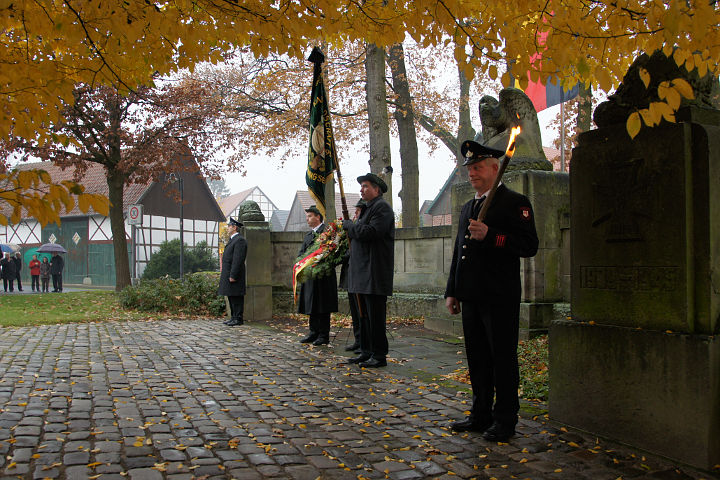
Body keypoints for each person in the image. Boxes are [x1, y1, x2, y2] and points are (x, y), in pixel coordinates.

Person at [445, 140, 539, 442]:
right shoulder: (468, 207)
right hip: (471, 295)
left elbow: (529, 245)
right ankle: (481, 413)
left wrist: (492, 236)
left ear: (495, 168)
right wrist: (453, 290)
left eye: (478, 167)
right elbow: (459, 252)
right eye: (470, 168)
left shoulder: (514, 202)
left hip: (499, 296)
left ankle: (505, 419)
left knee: (502, 360)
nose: (472, 173)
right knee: (478, 359)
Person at [342, 173, 395, 368]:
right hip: (362, 273)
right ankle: (365, 351)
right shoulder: (366, 209)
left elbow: (372, 232)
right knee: (362, 315)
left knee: (374, 317)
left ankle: (379, 355)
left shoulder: (382, 208)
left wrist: (350, 227)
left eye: (365, 186)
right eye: (361, 186)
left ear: (377, 189)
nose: (361, 189)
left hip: (374, 273)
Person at [297, 205, 338, 346]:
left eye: (309, 216)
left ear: (318, 216)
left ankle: (323, 335)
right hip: (310, 277)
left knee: (323, 305)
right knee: (311, 305)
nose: (307, 219)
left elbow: (332, 253)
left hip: (323, 276)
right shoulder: (309, 235)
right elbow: (301, 254)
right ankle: (313, 332)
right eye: (307, 216)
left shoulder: (328, 232)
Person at [339, 200, 365, 352]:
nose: (355, 215)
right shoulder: (353, 228)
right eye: (354, 212)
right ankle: (358, 339)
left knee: (361, 311)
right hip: (350, 275)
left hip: (359, 276)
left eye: (357, 212)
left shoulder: (360, 227)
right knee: (355, 312)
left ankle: (364, 342)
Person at [218, 217, 247, 327]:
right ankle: (233, 317)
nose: (228, 228)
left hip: (235, 274)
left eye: (229, 226)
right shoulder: (232, 240)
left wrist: (233, 275)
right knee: (231, 295)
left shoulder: (240, 240)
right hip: (229, 273)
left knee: (236, 297)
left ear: (235, 227)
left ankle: (238, 318)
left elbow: (238, 259)